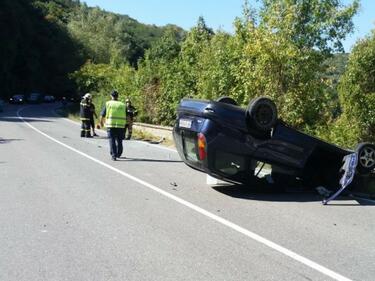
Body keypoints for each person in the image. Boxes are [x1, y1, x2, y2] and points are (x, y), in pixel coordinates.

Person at [100, 90, 126, 161]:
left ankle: (114, 155)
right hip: (121, 126)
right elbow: (128, 116)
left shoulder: (108, 104)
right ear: (118, 96)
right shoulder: (123, 105)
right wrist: (129, 126)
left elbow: (102, 114)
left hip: (110, 125)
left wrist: (101, 122)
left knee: (112, 140)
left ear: (111, 96)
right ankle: (119, 154)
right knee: (119, 140)